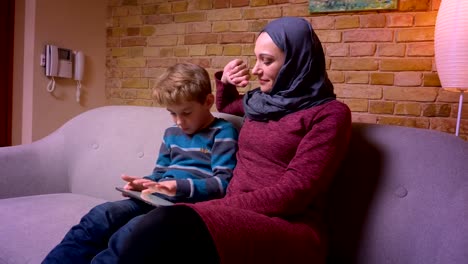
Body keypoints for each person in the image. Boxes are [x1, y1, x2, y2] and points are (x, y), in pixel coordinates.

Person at [118, 16, 352, 264]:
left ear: (297, 62)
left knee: (166, 224)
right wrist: (226, 82)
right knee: (136, 228)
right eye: (256, 58)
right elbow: (229, 105)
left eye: (267, 61)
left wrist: (215, 206)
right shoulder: (262, 102)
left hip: (286, 225)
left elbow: (293, 194)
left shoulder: (329, 114)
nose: (255, 69)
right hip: (233, 211)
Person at [42, 63, 239, 263]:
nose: (179, 121)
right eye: (172, 113)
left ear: (208, 101)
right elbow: (160, 173)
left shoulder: (222, 132)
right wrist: (144, 183)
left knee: (131, 232)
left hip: (183, 207)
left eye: (186, 113)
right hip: (155, 197)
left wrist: (177, 187)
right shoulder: (171, 133)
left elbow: (222, 183)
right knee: (100, 215)